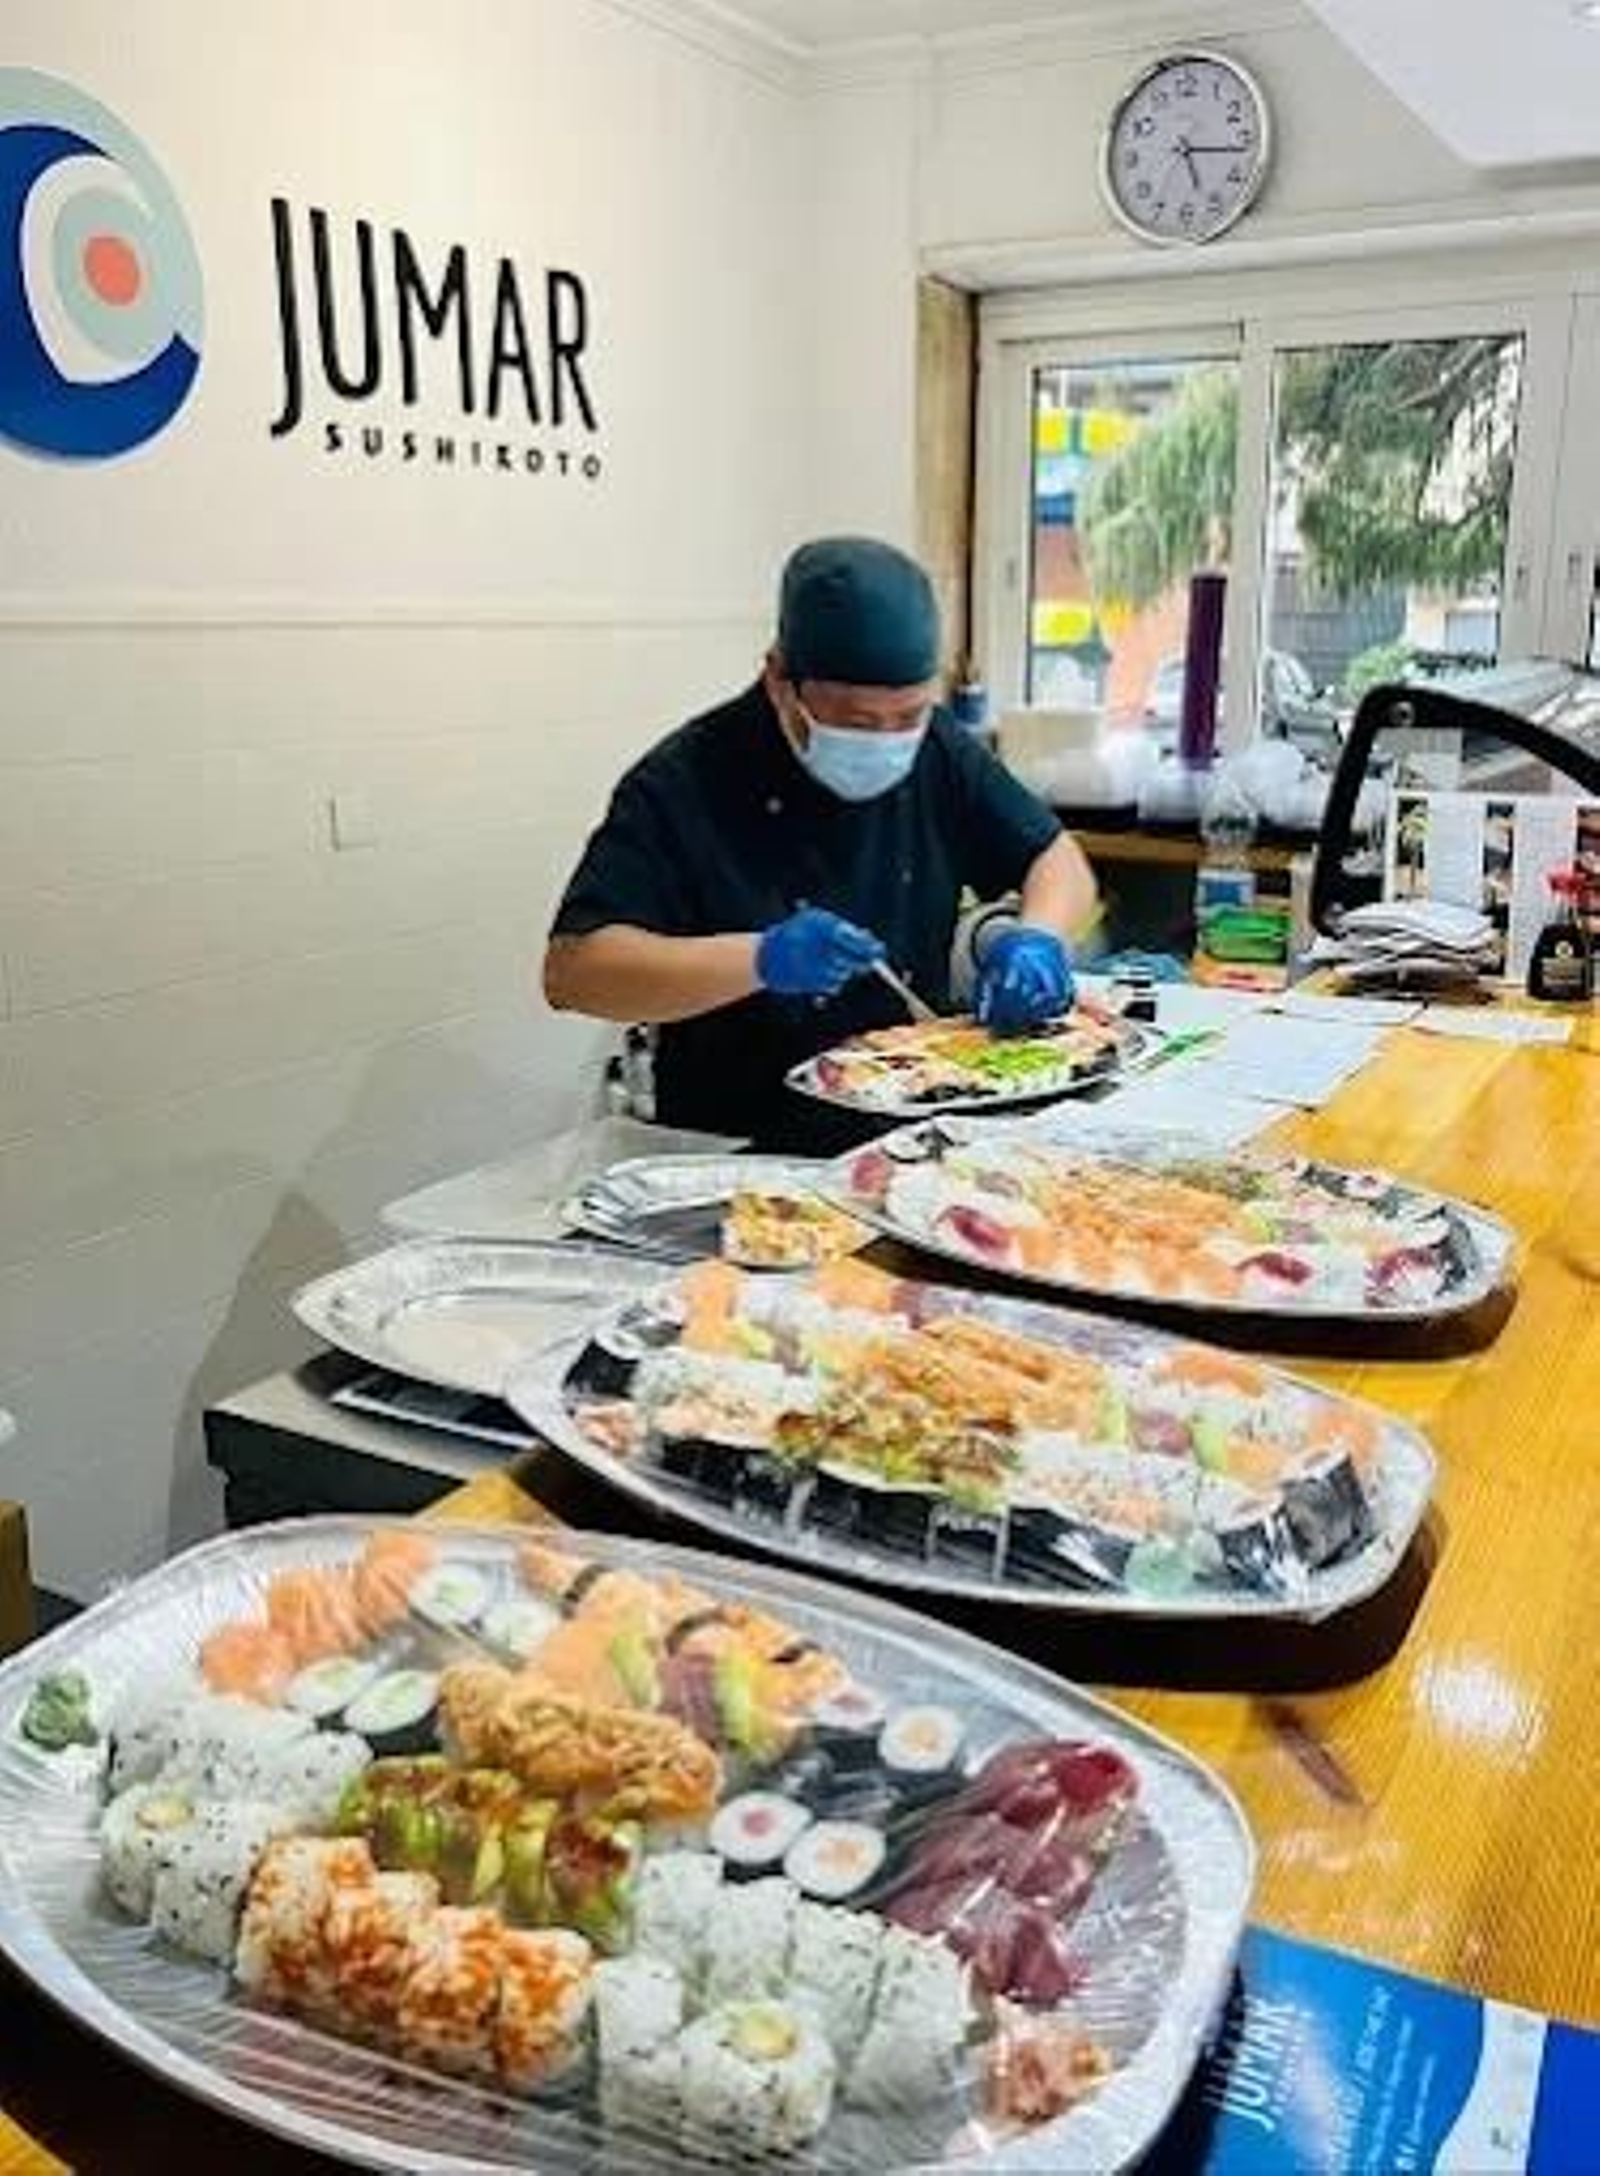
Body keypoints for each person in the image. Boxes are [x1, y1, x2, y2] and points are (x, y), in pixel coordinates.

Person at [544, 536, 1098, 1149]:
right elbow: (575, 971)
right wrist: (759, 960)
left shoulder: (938, 749)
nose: (887, 739)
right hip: (737, 1147)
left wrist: (1039, 938)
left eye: (908, 716)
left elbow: (1056, 859)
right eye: (858, 722)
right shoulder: (684, 781)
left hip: (913, 1122)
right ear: (779, 680)